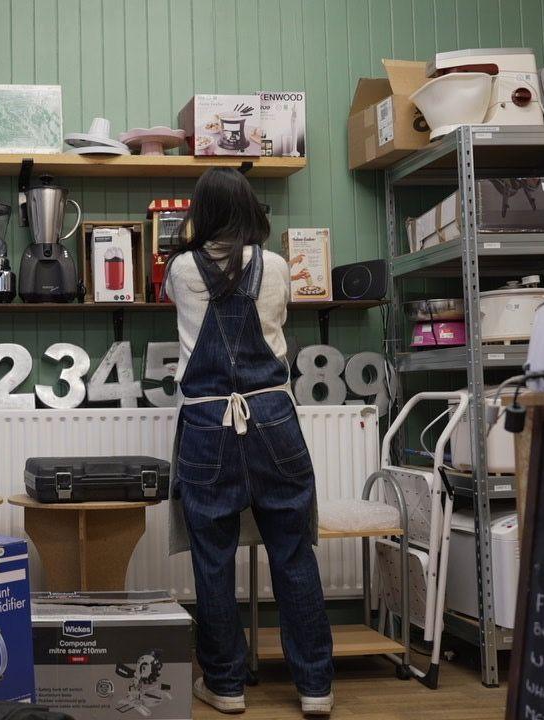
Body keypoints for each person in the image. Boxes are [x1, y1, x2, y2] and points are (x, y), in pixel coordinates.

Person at [165, 168, 333, 716]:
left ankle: (227, 685)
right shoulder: (279, 267)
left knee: (213, 558)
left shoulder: (181, 270)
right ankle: (315, 687)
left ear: (202, 211)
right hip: (273, 417)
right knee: (292, 551)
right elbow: (277, 319)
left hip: (209, 422)